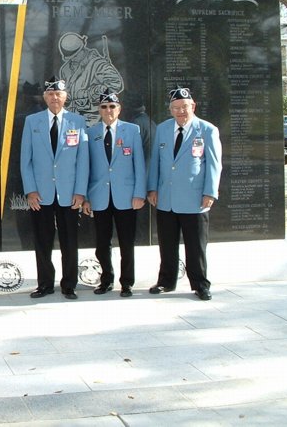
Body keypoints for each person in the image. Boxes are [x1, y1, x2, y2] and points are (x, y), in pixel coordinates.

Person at [147, 86, 222, 301]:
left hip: (194, 199)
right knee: (167, 244)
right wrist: (152, 188)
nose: (180, 111)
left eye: (184, 107)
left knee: (196, 245)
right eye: (176, 108)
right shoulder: (162, 129)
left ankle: (200, 284)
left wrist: (210, 192)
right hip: (166, 198)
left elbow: (214, 164)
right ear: (170, 110)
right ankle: (166, 281)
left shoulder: (207, 130)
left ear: (193, 106)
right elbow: (156, 161)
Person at [20, 76, 89, 300]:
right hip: (41, 194)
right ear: (44, 97)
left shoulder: (77, 122)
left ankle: (69, 285)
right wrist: (30, 190)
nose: (54, 98)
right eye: (50, 94)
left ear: (65, 96)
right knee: (42, 241)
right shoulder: (32, 121)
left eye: (58, 94)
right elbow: (25, 160)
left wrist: (80, 192)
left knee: (70, 241)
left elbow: (83, 160)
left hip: (69, 193)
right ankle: (45, 284)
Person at [82, 89, 146, 297]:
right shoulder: (90, 133)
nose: (108, 110)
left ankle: (127, 282)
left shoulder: (132, 130)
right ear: (99, 110)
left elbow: (139, 164)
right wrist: (86, 197)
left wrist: (139, 193)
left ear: (119, 109)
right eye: (104, 107)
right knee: (102, 243)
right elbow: (86, 167)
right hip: (99, 196)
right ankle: (106, 280)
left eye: (112, 106)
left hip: (126, 196)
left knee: (127, 242)